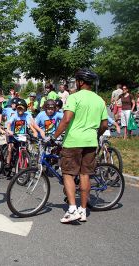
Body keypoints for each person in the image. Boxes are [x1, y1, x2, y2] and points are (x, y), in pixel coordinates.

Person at [52, 68, 108, 223]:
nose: (75, 83)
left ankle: (72, 209)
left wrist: (53, 136)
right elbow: (104, 124)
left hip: (73, 141)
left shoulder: (74, 97)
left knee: (68, 173)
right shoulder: (99, 100)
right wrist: (95, 135)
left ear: (81, 82)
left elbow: (66, 120)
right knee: (85, 175)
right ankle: (83, 210)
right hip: (91, 142)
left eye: (76, 80)